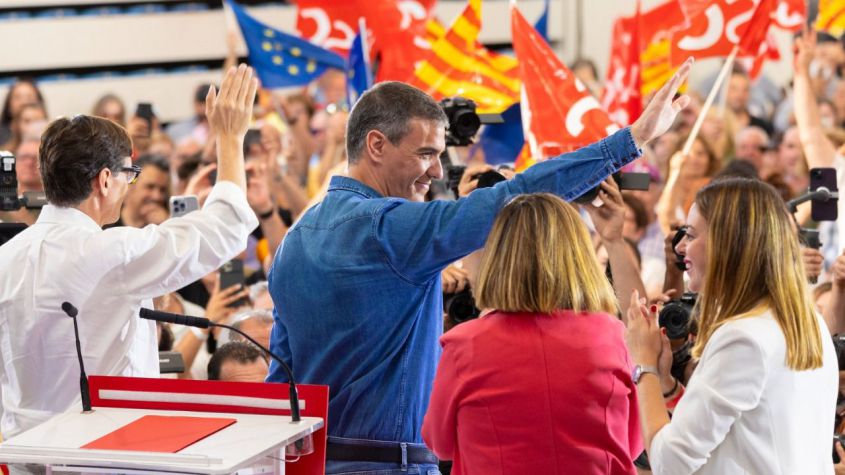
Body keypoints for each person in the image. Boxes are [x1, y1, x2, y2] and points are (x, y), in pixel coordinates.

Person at [267, 57, 694, 474]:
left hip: (310, 464)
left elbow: (278, 380)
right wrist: (633, 138)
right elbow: (519, 193)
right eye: (425, 154)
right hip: (390, 464)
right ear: (376, 145)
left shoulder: (292, 243)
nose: (437, 170)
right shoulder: (390, 230)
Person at [0, 65, 259, 442]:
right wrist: (230, 139)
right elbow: (226, 227)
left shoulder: (6, 258)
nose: (129, 185)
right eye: (129, 173)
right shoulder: (111, 253)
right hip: (102, 455)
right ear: (105, 180)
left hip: (21, 454)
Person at [626, 177, 838, 474]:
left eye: (691, 234)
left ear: (729, 244)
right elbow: (740, 430)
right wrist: (663, 380)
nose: (682, 247)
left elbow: (669, 462)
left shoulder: (744, 337)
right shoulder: (805, 320)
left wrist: (644, 367)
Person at [422, 193, 642, 474]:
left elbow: (439, 443)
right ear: (579, 256)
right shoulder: (614, 336)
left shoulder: (464, 344)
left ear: (498, 257)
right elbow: (632, 443)